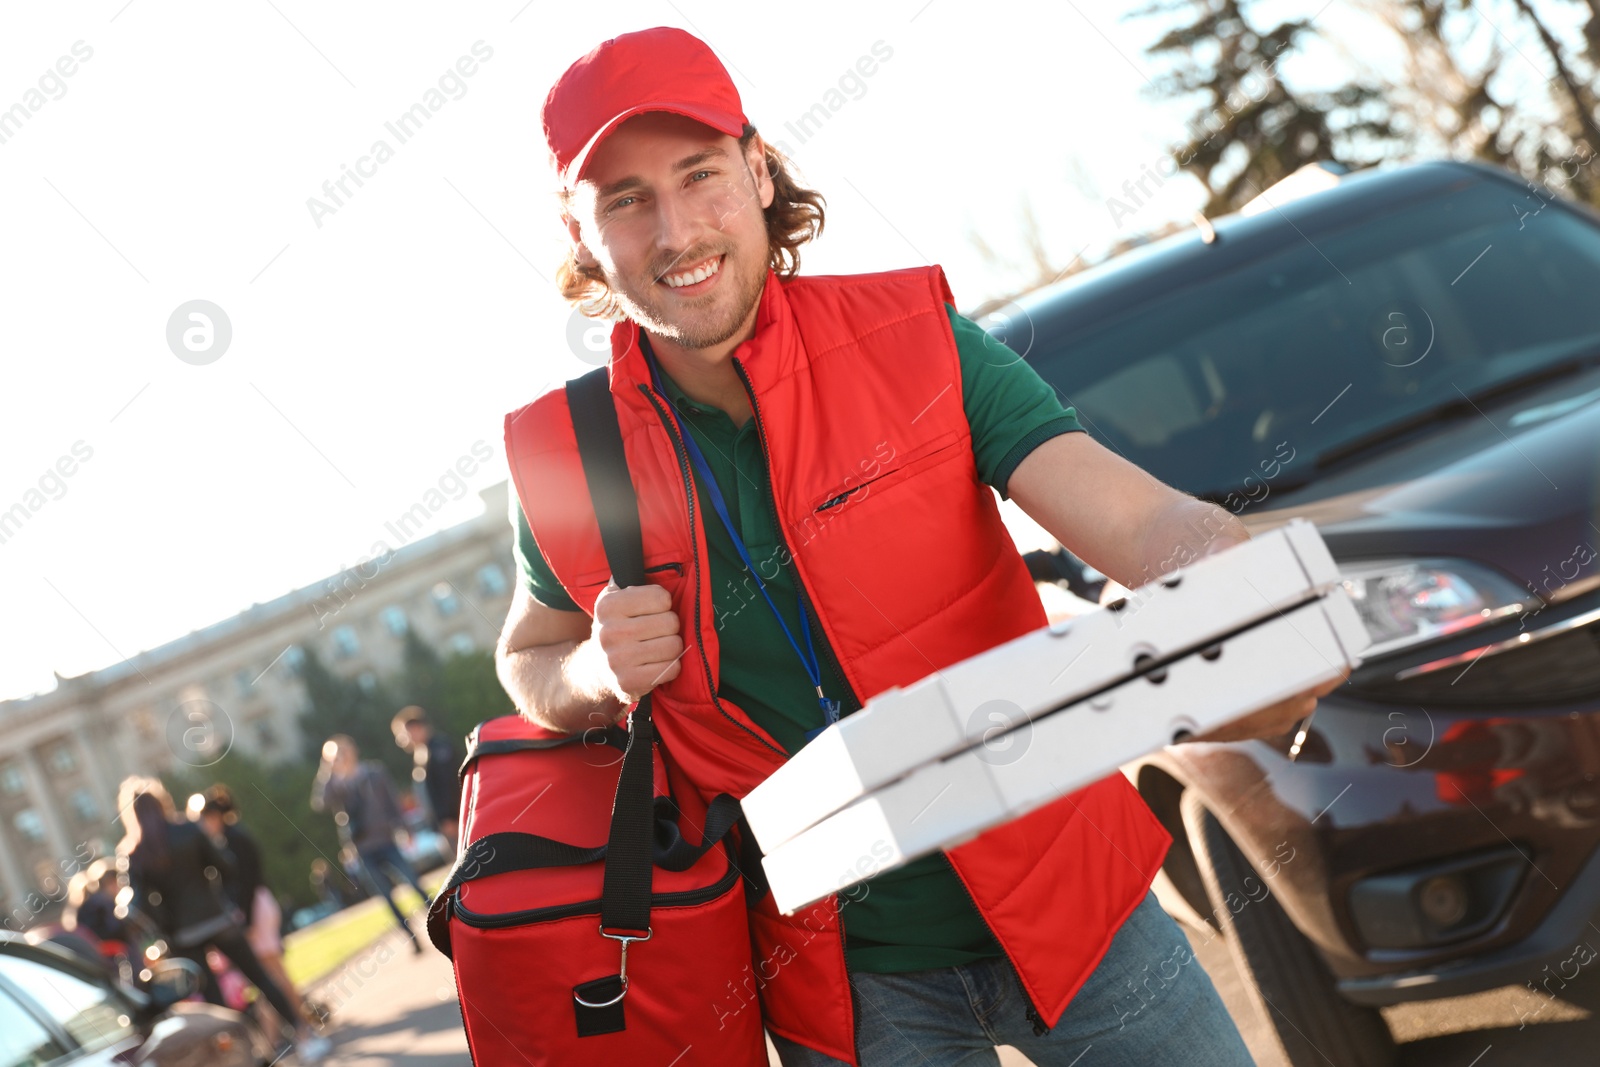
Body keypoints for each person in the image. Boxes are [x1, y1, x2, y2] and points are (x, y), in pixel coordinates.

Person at [494, 27, 1349, 1066]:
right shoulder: (562, 458)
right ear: (579, 233)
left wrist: (1234, 578)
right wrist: (586, 668)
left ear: (758, 172)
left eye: (699, 174)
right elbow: (527, 655)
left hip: (1079, 909)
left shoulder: (916, 337)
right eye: (625, 198)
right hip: (843, 982)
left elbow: (1137, 520)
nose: (676, 230)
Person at [114, 776, 330, 1063]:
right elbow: (226, 866)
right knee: (261, 978)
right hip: (218, 919)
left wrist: (163, 925)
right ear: (162, 803)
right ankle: (305, 1036)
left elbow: (136, 903)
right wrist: (220, 899)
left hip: (182, 935)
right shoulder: (188, 831)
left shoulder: (134, 852)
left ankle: (246, 1056)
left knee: (216, 1004)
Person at [191, 786, 311, 1043]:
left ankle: (298, 1024)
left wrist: (244, 921)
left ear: (214, 816)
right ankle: (298, 1023)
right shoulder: (230, 838)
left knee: (271, 974)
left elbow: (245, 883)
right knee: (273, 972)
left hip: (255, 908)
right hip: (256, 906)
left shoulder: (233, 841)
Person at [310, 736, 433, 954]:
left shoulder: (373, 773)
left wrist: (405, 828)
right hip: (362, 849)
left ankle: (440, 921)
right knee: (386, 896)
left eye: (343, 751)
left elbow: (392, 801)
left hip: (386, 840)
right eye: (335, 755)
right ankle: (412, 938)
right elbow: (320, 802)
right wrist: (327, 769)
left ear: (353, 750)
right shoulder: (337, 784)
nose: (341, 757)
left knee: (413, 882)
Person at [390, 705, 461, 849]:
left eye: (403, 734)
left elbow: (448, 784)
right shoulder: (423, 753)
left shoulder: (438, 748)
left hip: (455, 821)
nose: (401, 740)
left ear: (415, 728)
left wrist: (449, 817)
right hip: (444, 824)